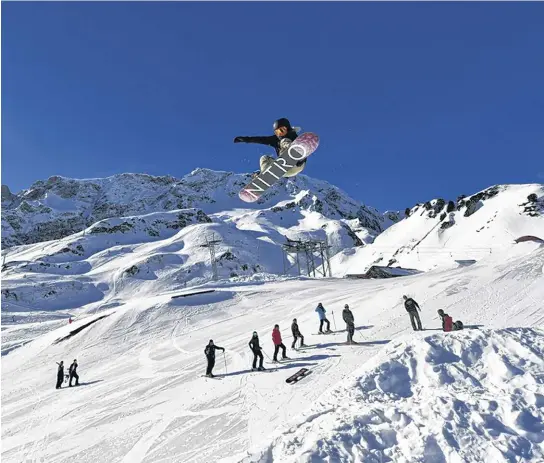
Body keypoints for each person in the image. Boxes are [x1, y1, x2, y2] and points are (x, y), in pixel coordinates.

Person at [234, 118, 306, 178]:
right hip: (285, 169)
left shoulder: (293, 135)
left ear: (288, 128)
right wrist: (245, 139)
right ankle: (264, 175)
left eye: (282, 130)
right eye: (277, 132)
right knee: (264, 158)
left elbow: (302, 145)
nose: (280, 134)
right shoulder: (275, 139)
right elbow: (260, 140)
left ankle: (294, 154)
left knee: (284, 141)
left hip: (297, 164)